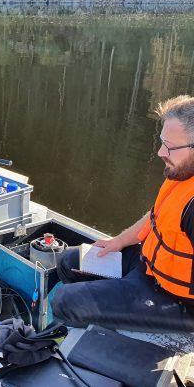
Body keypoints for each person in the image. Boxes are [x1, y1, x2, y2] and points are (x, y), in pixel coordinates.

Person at [51, 95, 194, 332]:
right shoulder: (183, 173)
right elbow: (157, 215)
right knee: (69, 261)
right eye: (161, 142)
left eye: (169, 146)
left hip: (177, 301)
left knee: (65, 301)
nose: (160, 152)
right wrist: (120, 241)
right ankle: (100, 322)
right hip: (148, 266)